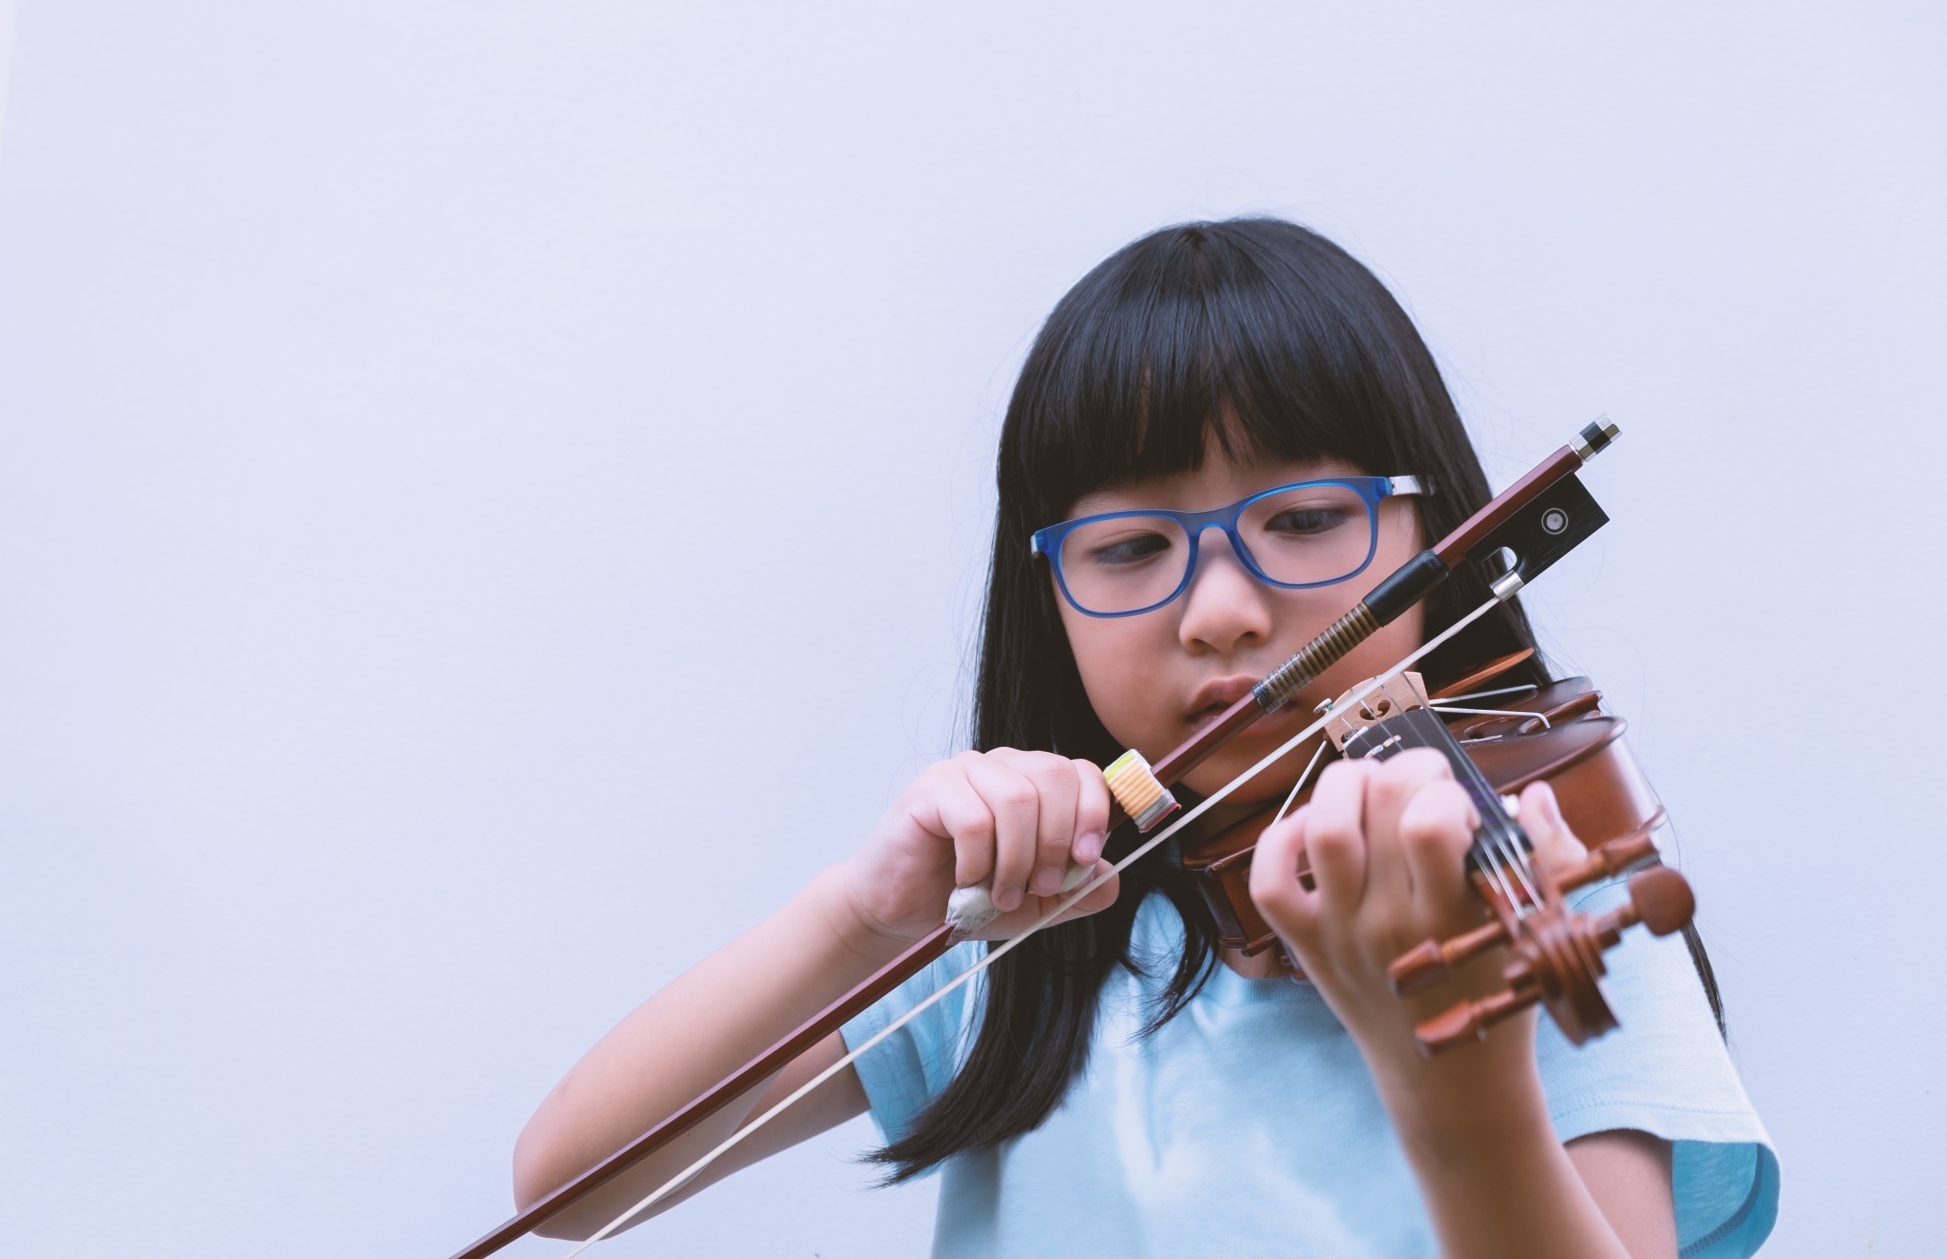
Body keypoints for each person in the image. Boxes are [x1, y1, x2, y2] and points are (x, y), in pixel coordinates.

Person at [511, 219, 1778, 1257]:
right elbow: (566, 1187)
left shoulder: (1538, 884)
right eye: (1130, 549)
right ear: (1047, 600)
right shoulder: (1028, 931)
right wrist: (866, 916)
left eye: (1305, 519)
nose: (1223, 612)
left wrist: (1450, 1075)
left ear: (1433, 538)